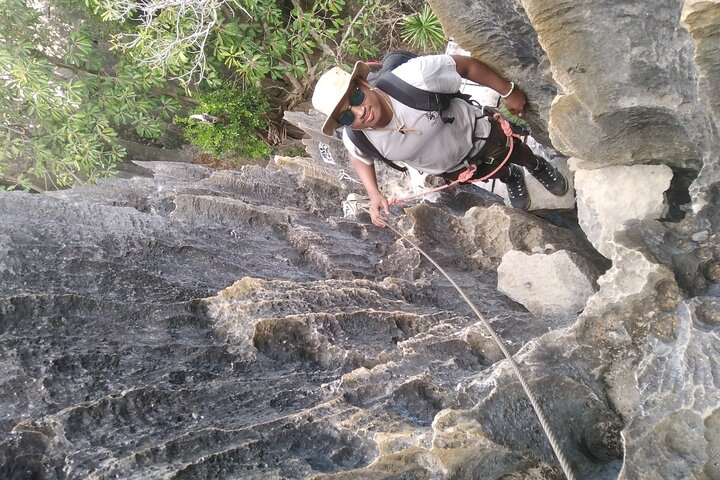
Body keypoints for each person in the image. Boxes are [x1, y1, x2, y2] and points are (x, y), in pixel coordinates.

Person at [312, 54, 568, 227]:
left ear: (363, 82)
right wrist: (374, 193)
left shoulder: (413, 78)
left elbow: (465, 66)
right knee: (492, 171)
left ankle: (536, 166)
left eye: (356, 99)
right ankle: (510, 177)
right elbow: (358, 156)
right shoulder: (357, 136)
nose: (359, 113)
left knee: (513, 151)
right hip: (455, 168)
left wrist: (507, 91)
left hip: (478, 134)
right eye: (346, 116)